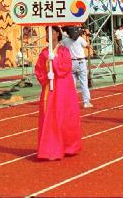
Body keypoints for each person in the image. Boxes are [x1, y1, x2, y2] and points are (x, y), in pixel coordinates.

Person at [34, 26, 82, 160]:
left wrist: (54, 60)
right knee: (49, 116)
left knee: (63, 116)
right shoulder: (44, 52)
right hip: (49, 88)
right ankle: (50, 149)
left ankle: (68, 146)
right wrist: (46, 75)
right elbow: (38, 70)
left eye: (52, 32)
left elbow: (66, 68)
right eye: (47, 32)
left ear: (57, 34)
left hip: (63, 88)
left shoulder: (63, 51)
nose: (49, 34)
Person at [62, 26, 92, 108]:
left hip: (71, 62)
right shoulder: (79, 39)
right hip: (81, 61)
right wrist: (88, 36)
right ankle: (86, 102)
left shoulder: (65, 40)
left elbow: (61, 45)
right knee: (83, 82)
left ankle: (72, 102)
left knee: (72, 84)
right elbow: (88, 46)